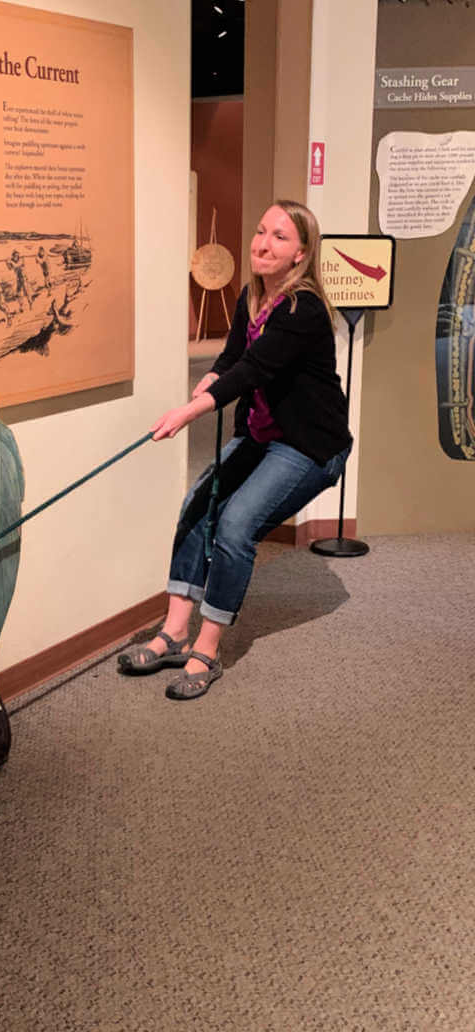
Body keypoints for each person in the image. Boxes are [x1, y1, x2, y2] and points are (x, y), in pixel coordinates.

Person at [117, 199, 352, 700]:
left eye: (280, 238)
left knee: (235, 525)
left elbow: (256, 370)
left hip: (310, 446)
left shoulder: (301, 308)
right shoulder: (252, 296)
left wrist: (187, 411)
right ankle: (174, 632)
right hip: (264, 435)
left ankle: (207, 646)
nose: (264, 243)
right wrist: (210, 379)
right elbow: (232, 360)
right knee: (197, 506)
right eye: (262, 231)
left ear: (301, 255)